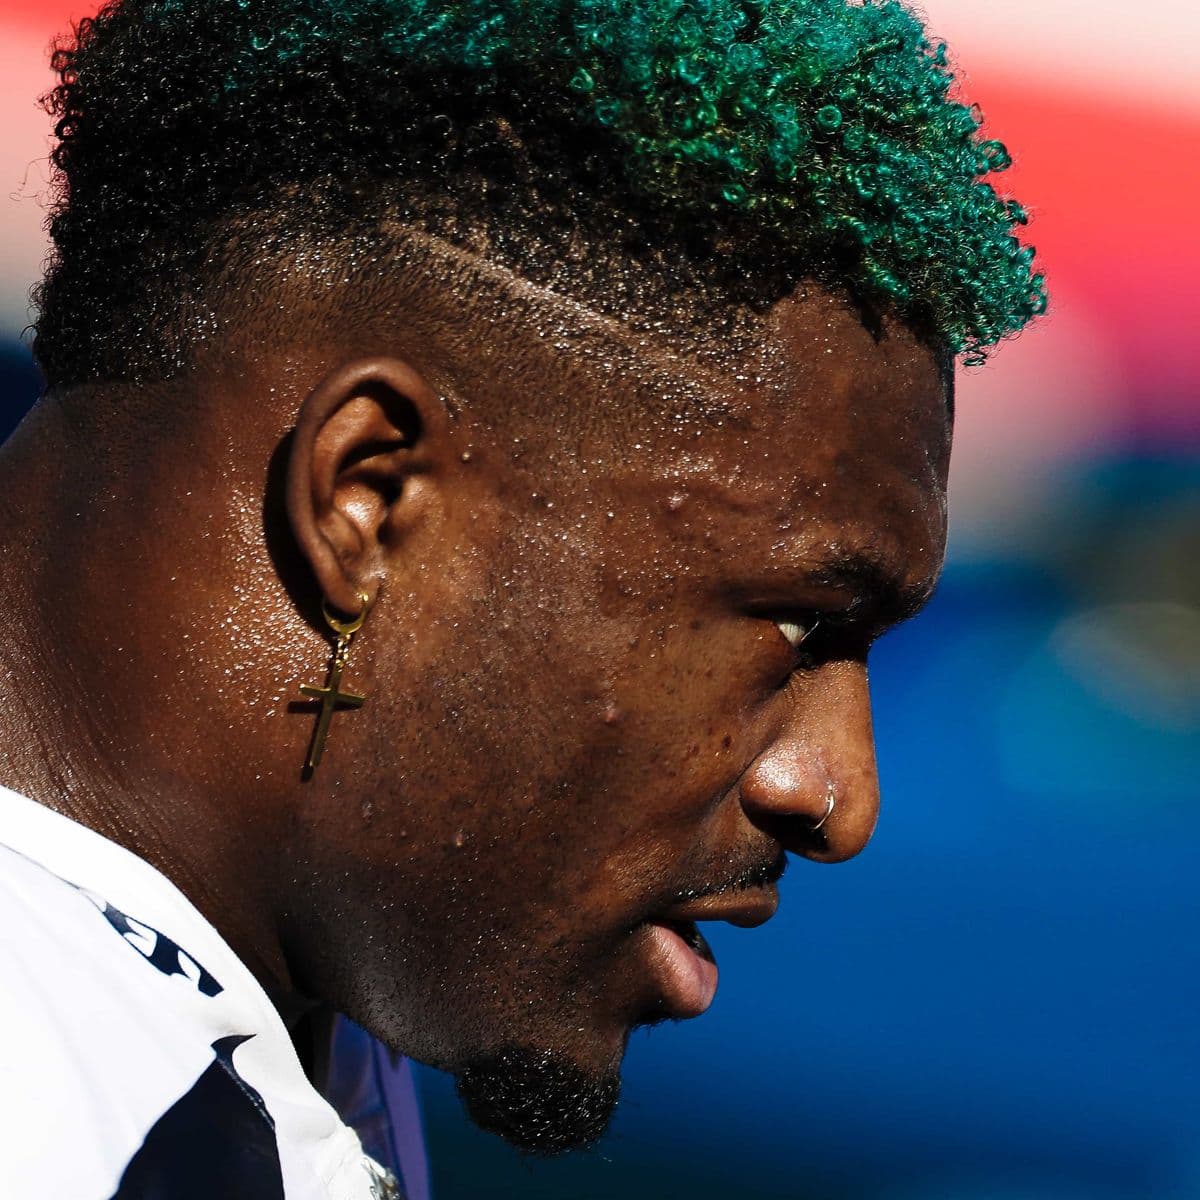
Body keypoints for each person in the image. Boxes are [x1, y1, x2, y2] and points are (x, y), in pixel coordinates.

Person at [0, 0, 1044, 1196]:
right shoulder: (63, 1120)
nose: (835, 798)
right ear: (368, 499)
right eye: (802, 624)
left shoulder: (230, 1004)